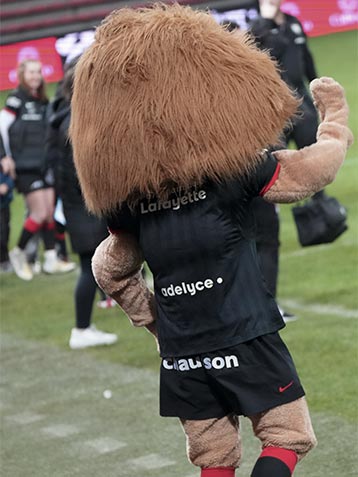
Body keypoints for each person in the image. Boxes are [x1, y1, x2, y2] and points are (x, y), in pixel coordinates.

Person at [70, 5, 352, 477]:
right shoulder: (232, 169)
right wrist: (335, 122)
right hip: (245, 332)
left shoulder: (133, 203)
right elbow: (312, 170)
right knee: (287, 435)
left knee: (214, 456)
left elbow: (108, 268)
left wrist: (155, 320)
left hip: (182, 353)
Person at [249, 0, 320, 320]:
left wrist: (316, 87)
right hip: (275, 112)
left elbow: (305, 58)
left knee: (312, 159)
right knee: (264, 235)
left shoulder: (293, 22)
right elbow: (265, 53)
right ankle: (263, 304)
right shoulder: (256, 28)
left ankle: (318, 210)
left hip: (302, 101)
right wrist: (266, 22)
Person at [48, 58, 117, 349]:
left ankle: (85, 326)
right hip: (85, 207)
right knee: (89, 270)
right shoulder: (73, 122)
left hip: (79, 206)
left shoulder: (66, 116)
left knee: (92, 268)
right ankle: (81, 328)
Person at [0, 59, 75, 280]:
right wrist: (6, 157)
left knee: (49, 212)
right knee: (39, 213)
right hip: (25, 167)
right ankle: (18, 251)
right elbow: (1, 128)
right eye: (31, 72)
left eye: (38, 72)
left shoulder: (44, 101)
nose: (36, 76)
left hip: (44, 165)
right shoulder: (15, 100)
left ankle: (51, 258)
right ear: (22, 74)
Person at [0, 136, 14, 273]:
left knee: (4, 229)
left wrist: (6, 185)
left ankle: (4, 259)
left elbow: (9, 175)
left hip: (3, 201)